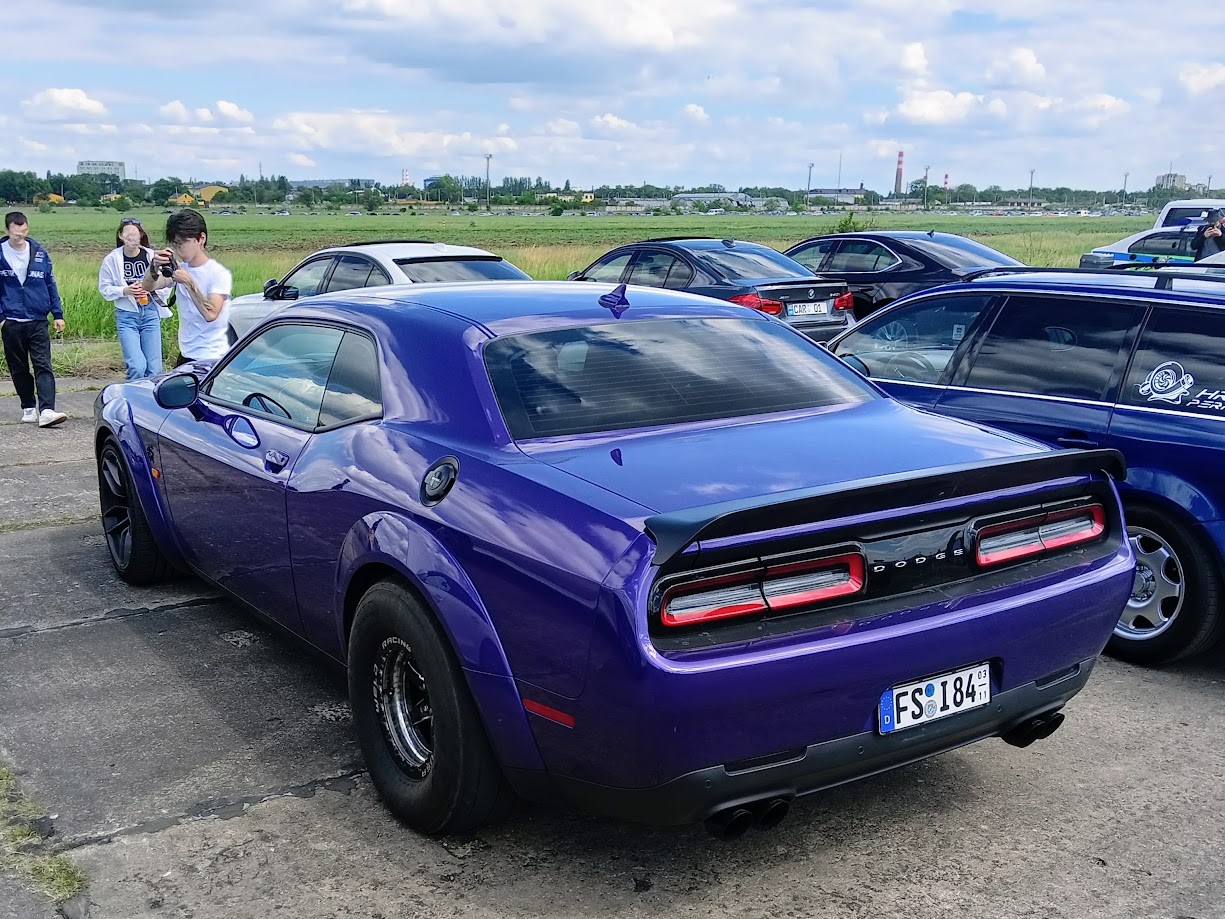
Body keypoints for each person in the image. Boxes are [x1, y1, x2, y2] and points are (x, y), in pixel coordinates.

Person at [0, 211, 67, 428]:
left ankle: (47, 409)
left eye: (24, 231)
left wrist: (57, 314)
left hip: (38, 319)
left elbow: (50, 284)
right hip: (11, 321)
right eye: (16, 233)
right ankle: (28, 406)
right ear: (7, 230)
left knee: (43, 364)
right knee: (18, 367)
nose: (21, 236)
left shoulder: (39, 252)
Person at [142, 209, 231, 365]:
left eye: (183, 243)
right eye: (175, 244)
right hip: (186, 354)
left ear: (201, 238)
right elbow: (148, 286)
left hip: (212, 357)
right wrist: (154, 266)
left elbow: (211, 314)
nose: (179, 249)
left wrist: (189, 283)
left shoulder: (218, 273)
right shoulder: (180, 268)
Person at [98, 217, 170, 380]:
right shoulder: (112, 259)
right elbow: (105, 288)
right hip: (127, 316)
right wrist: (126, 290)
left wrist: (151, 290)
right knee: (137, 366)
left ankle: (150, 402)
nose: (131, 239)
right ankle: (133, 398)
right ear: (120, 236)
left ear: (141, 236)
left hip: (150, 312)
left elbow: (167, 282)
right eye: (127, 235)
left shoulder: (152, 255)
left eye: (134, 235)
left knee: (155, 369)